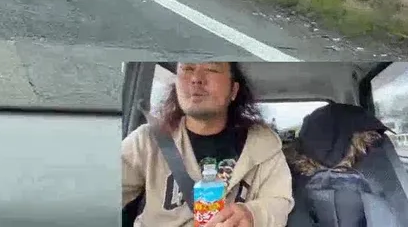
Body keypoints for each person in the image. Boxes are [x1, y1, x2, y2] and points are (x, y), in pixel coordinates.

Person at [122, 62, 294, 227]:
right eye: (187, 68)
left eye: (211, 69)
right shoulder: (146, 141)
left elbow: (279, 202)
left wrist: (252, 215)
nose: (196, 78)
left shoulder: (264, 146)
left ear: (233, 90)